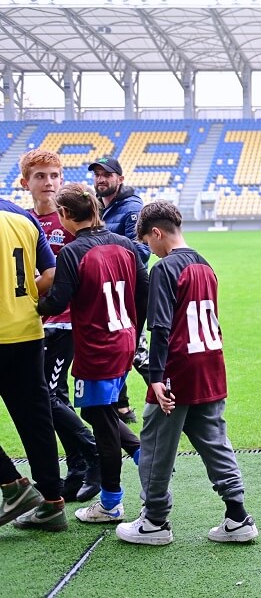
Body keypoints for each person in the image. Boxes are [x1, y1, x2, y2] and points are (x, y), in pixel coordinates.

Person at [116, 201, 258, 545]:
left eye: (149, 243)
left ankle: (154, 523)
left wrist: (156, 377)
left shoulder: (165, 269)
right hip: (210, 362)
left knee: (155, 444)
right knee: (213, 439)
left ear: (156, 232)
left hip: (178, 367)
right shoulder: (205, 265)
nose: (150, 250)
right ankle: (238, 517)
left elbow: (161, 327)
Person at [37, 183, 148, 525]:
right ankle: (145, 456)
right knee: (100, 412)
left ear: (66, 215)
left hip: (98, 347)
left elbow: (57, 302)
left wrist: (28, 303)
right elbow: (144, 293)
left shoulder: (73, 252)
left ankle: (112, 502)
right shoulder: (125, 245)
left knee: (100, 422)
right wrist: (132, 331)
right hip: (123, 340)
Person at [22, 149, 102, 503]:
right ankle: (78, 469)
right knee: (56, 396)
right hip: (34, 323)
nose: (49, 183)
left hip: (67, 321)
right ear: (26, 182)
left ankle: (92, 453)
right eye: (41, 176)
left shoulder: (69, 220)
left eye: (54, 175)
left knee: (47, 395)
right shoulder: (21, 221)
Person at [0, 197, 66, 532]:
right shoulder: (21, 215)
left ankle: (13, 486)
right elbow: (51, 273)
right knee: (36, 417)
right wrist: (22, 299)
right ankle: (53, 503)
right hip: (27, 331)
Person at [89, 156, 150, 424]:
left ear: (120, 179)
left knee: (135, 349)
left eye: (108, 174)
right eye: (98, 175)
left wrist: (104, 249)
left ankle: (172, 392)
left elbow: (143, 251)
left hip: (132, 289)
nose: (101, 179)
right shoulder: (96, 207)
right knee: (114, 345)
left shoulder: (132, 208)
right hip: (108, 288)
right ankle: (122, 407)